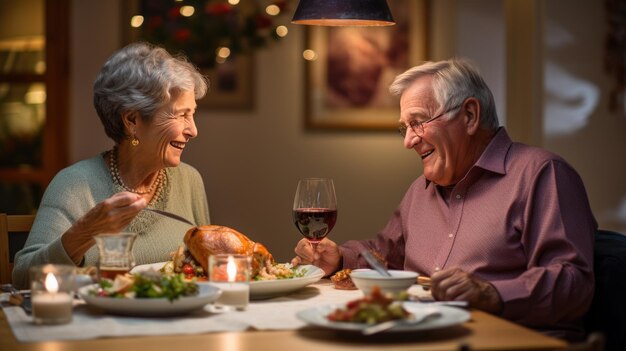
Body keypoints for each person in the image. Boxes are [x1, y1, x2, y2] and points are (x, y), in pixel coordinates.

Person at [292, 58, 597, 341]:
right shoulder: (420, 190)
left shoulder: (542, 175)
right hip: (427, 340)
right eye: (404, 129)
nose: (409, 141)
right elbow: (384, 256)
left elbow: (574, 283)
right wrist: (340, 258)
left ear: (469, 115)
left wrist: (492, 294)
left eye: (418, 122)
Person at [13, 42, 210, 288]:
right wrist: (83, 234)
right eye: (181, 115)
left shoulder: (189, 180)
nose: (193, 130)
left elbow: (205, 269)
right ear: (132, 120)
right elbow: (23, 278)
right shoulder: (74, 184)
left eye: (193, 114)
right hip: (96, 322)